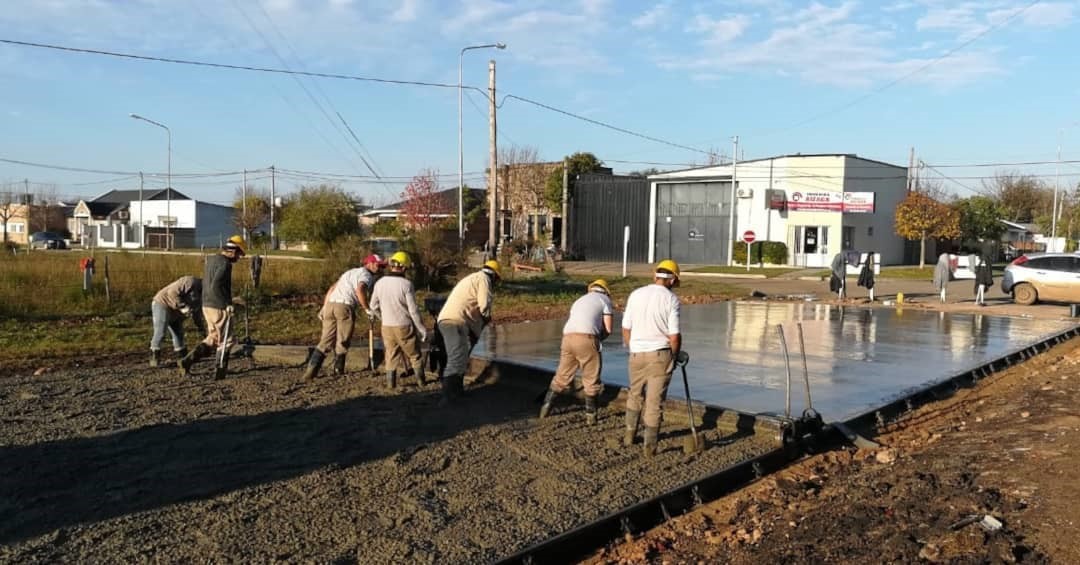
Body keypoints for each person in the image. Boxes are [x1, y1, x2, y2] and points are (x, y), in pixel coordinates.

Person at [622, 259, 682, 458]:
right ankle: (650, 448)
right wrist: (674, 356)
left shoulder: (635, 294)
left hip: (636, 354)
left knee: (634, 394)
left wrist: (633, 348)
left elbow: (626, 328)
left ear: (655, 275)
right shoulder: (671, 299)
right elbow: (674, 336)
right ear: (672, 280)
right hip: (660, 354)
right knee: (654, 402)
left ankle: (629, 437)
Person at [538, 279, 614, 424]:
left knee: (562, 375)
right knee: (591, 378)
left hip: (567, 338)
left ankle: (545, 408)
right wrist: (596, 341)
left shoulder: (580, 300)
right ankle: (591, 417)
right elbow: (608, 329)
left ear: (590, 289)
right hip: (586, 338)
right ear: (606, 291)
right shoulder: (604, 300)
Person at [302, 253, 385, 382]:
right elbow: (360, 290)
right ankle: (338, 370)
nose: (380, 269)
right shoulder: (366, 275)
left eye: (381, 266)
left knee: (325, 340)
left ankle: (310, 372)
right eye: (377, 265)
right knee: (343, 339)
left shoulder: (350, 272)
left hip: (331, 304)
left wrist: (324, 307)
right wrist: (367, 309)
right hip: (345, 306)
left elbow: (332, 288)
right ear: (368, 263)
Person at [436, 260, 501, 404]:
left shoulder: (473, 278)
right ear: (495, 275)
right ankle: (447, 396)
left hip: (449, 320)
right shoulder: (484, 279)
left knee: (462, 357)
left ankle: (457, 392)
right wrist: (487, 318)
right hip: (455, 321)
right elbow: (484, 305)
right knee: (456, 358)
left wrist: (476, 330)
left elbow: (471, 307)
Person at [179, 235, 245, 376]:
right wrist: (227, 303)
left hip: (206, 304)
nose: (240, 257)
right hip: (218, 306)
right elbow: (217, 284)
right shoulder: (225, 264)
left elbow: (208, 283)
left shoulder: (211, 260)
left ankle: (187, 361)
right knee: (226, 340)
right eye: (239, 254)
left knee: (213, 338)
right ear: (233, 251)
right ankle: (220, 369)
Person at [369, 251, 428, 389]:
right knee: (414, 355)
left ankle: (391, 385)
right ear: (404, 267)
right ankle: (421, 382)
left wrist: (382, 317)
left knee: (390, 355)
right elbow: (413, 311)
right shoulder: (406, 284)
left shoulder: (380, 283)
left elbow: (372, 306)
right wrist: (422, 329)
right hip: (404, 326)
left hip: (387, 327)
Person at [150, 275, 206, 367]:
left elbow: (196, 313)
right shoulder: (190, 281)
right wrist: (182, 306)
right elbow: (172, 292)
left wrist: (201, 329)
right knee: (160, 331)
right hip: (163, 303)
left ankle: (182, 356)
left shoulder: (202, 296)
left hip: (177, 310)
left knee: (178, 333)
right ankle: (154, 355)